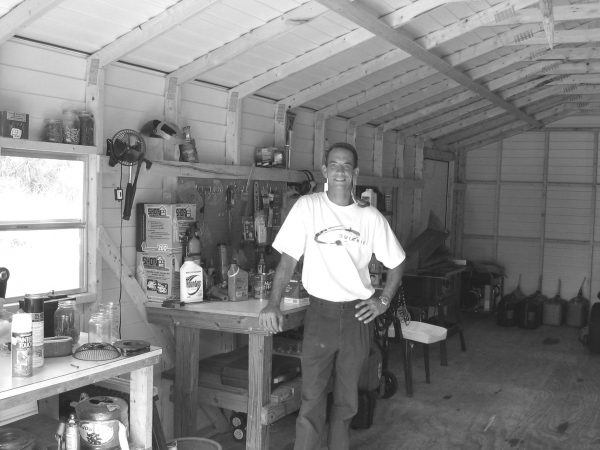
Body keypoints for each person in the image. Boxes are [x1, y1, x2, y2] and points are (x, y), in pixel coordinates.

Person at [259, 142, 405, 450]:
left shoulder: (371, 218)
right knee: (311, 398)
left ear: (355, 173)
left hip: (357, 318)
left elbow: (398, 262)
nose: (340, 171)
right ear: (325, 171)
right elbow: (288, 260)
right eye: (334, 165)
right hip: (320, 316)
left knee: (346, 401)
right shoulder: (307, 207)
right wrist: (272, 304)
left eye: (346, 166)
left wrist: (383, 301)